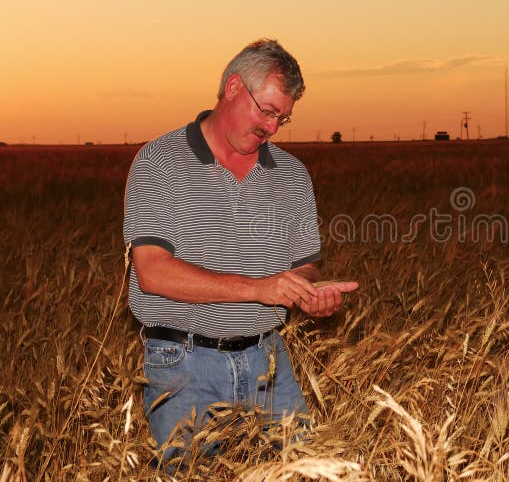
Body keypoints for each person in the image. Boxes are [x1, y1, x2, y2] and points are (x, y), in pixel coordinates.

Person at [123, 39, 358, 464]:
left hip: (270, 360)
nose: (272, 127)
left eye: (282, 118)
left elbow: (303, 265)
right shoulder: (159, 162)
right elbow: (152, 272)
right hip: (182, 365)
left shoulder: (292, 175)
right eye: (266, 111)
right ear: (233, 88)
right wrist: (258, 289)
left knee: (309, 469)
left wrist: (307, 294)